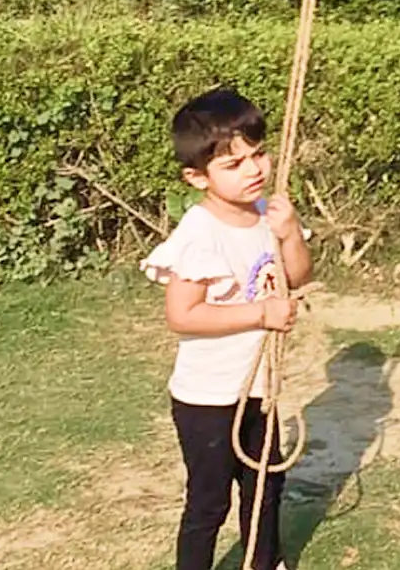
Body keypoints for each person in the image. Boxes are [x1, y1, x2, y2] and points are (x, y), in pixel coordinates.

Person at [142, 88, 314, 570]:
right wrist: (260, 314)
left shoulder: (267, 214)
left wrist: (290, 231)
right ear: (197, 177)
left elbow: (299, 277)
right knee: (209, 502)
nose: (254, 169)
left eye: (258, 154)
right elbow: (183, 315)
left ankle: (264, 561)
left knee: (265, 487)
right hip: (208, 397)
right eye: (233, 164)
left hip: (260, 388)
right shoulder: (200, 233)